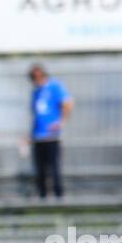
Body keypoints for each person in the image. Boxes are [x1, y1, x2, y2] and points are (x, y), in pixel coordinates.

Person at [29, 64, 71, 199]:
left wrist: (61, 122)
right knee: (40, 170)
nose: (37, 79)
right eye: (34, 77)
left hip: (51, 137)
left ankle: (59, 196)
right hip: (38, 137)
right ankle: (43, 197)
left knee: (54, 168)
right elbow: (36, 116)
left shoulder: (54, 86)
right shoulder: (35, 92)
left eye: (39, 76)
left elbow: (67, 103)